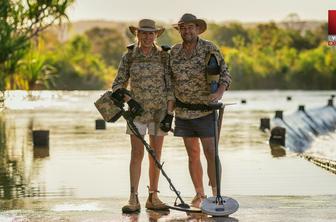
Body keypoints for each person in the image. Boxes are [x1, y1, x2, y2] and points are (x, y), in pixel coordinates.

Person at [167, 13, 232, 208]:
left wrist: (220, 92)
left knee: (211, 152)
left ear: (197, 29)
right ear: (180, 30)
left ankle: (216, 195)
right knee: (192, 154)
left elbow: (225, 73)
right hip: (184, 112)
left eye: (190, 27)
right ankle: (199, 195)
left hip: (206, 111)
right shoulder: (174, 52)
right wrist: (169, 111)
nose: (186, 31)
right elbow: (169, 82)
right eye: (183, 28)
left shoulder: (209, 48)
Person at [112, 19, 174, 213]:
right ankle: (133, 198)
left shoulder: (164, 56)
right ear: (137, 34)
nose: (147, 37)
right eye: (143, 33)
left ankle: (153, 197)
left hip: (159, 112)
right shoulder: (129, 56)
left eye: (151, 33)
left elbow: (171, 87)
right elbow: (117, 85)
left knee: (155, 155)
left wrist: (169, 115)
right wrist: (129, 100)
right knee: (136, 155)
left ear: (156, 35)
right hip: (136, 114)